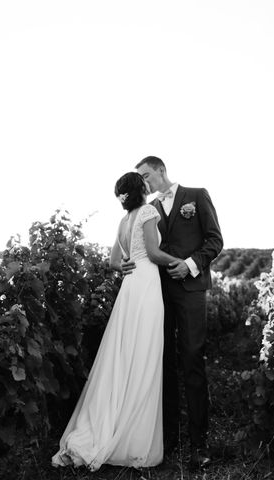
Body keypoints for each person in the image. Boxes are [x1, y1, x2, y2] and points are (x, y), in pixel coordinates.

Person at [51, 172, 180, 471]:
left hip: (130, 287)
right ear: (143, 189)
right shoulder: (148, 212)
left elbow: (113, 262)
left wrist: (126, 264)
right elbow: (152, 252)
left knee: (124, 355)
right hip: (146, 286)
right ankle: (131, 440)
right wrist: (180, 262)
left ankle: (110, 423)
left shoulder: (123, 221)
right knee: (144, 356)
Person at [130, 156, 223, 470]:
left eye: (147, 175)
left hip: (192, 291)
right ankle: (167, 438)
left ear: (161, 170)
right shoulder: (149, 209)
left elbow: (215, 239)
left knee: (193, 359)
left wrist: (191, 265)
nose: (144, 183)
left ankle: (200, 445)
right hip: (159, 293)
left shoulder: (196, 196)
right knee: (163, 361)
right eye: (139, 179)